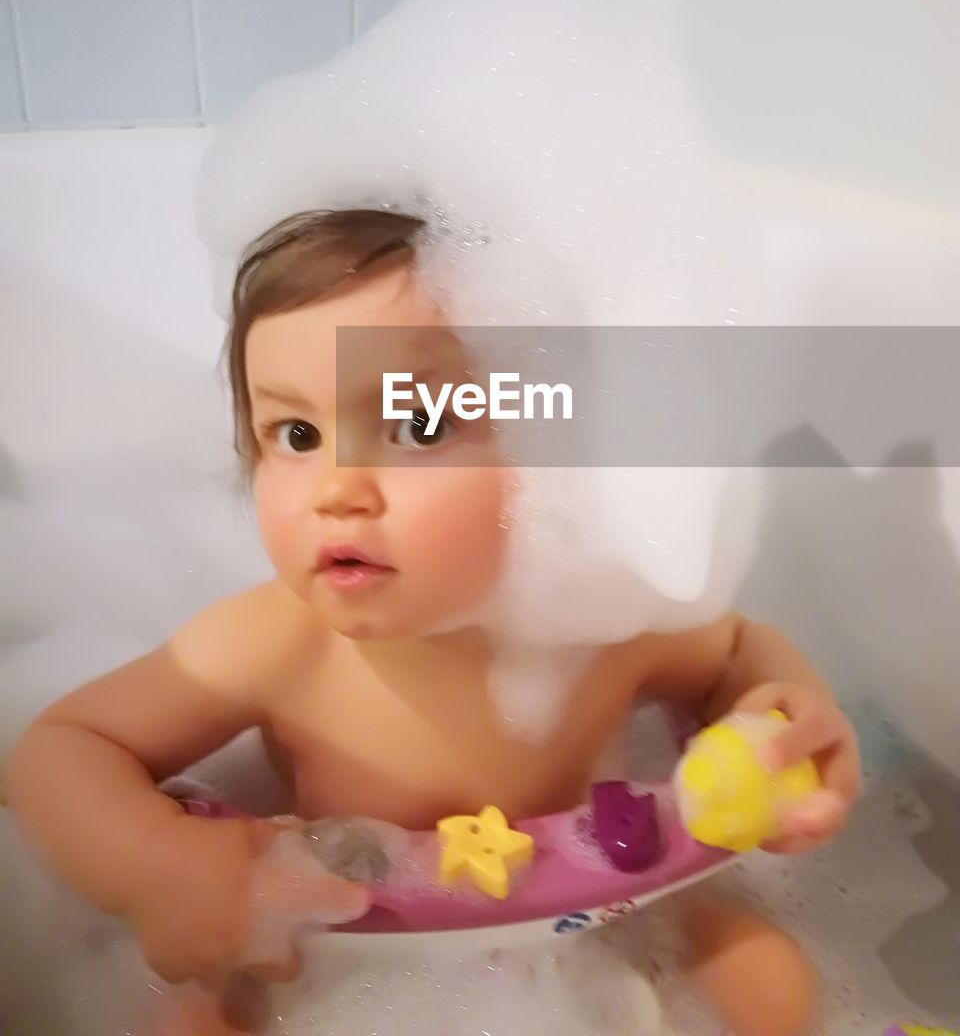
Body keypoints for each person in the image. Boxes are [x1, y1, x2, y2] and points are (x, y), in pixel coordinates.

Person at [5, 207, 861, 1036]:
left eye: (414, 425)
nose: (337, 487)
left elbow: (738, 654)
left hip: (592, 920)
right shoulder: (276, 643)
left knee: (767, 976)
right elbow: (61, 748)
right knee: (193, 1019)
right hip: (335, 950)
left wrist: (783, 718)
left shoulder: (601, 619)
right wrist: (157, 864)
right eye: (295, 433)